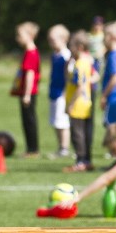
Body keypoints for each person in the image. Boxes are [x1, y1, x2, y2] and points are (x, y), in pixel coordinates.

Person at [63, 30, 97, 172]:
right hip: (85, 102)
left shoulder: (80, 64)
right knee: (85, 133)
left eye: (71, 46)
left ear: (80, 47)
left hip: (77, 104)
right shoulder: (85, 62)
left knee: (77, 134)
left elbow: (80, 86)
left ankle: (81, 161)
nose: (70, 48)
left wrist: (70, 104)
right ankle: (87, 160)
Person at [11, 21, 41, 157]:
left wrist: (27, 94)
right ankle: (30, 149)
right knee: (26, 120)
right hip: (25, 93)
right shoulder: (28, 52)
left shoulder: (31, 53)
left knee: (29, 121)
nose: (17, 38)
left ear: (30, 35)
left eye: (20, 35)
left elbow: (30, 74)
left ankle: (33, 150)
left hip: (28, 93)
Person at [46, 25, 72, 158]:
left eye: (53, 40)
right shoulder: (54, 55)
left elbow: (69, 77)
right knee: (55, 121)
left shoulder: (67, 56)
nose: (50, 43)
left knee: (62, 121)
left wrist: (66, 92)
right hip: (54, 91)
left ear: (63, 39)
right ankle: (60, 146)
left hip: (62, 93)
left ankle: (64, 147)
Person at [88, 16, 106, 111]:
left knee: (99, 73)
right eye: (95, 25)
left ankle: (99, 89)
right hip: (91, 59)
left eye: (99, 25)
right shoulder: (90, 35)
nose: (97, 27)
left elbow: (105, 46)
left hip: (99, 59)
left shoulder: (103, 36)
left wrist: (102, 52)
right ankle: (93, 88)